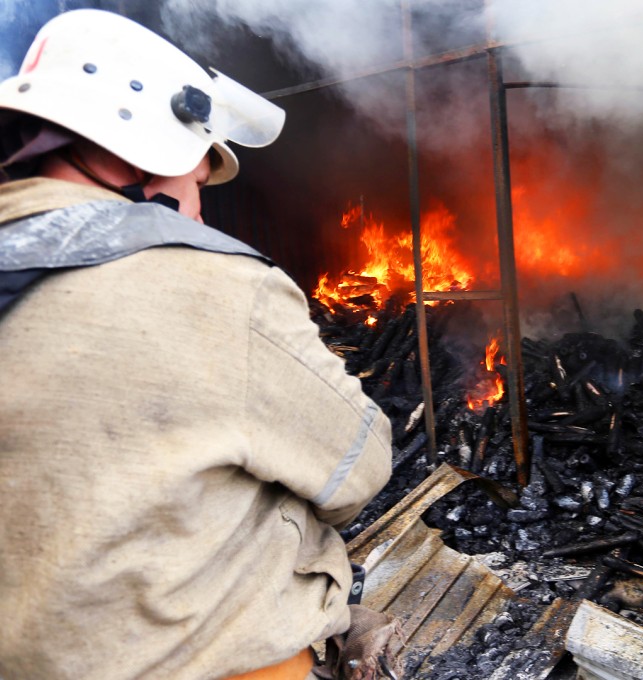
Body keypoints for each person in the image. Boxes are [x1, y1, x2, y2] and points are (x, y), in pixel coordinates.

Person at [0, 9, 397, 680]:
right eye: (198, 179)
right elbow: (360, 467)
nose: (200, 208)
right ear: (140, 152)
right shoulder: (214, 285)